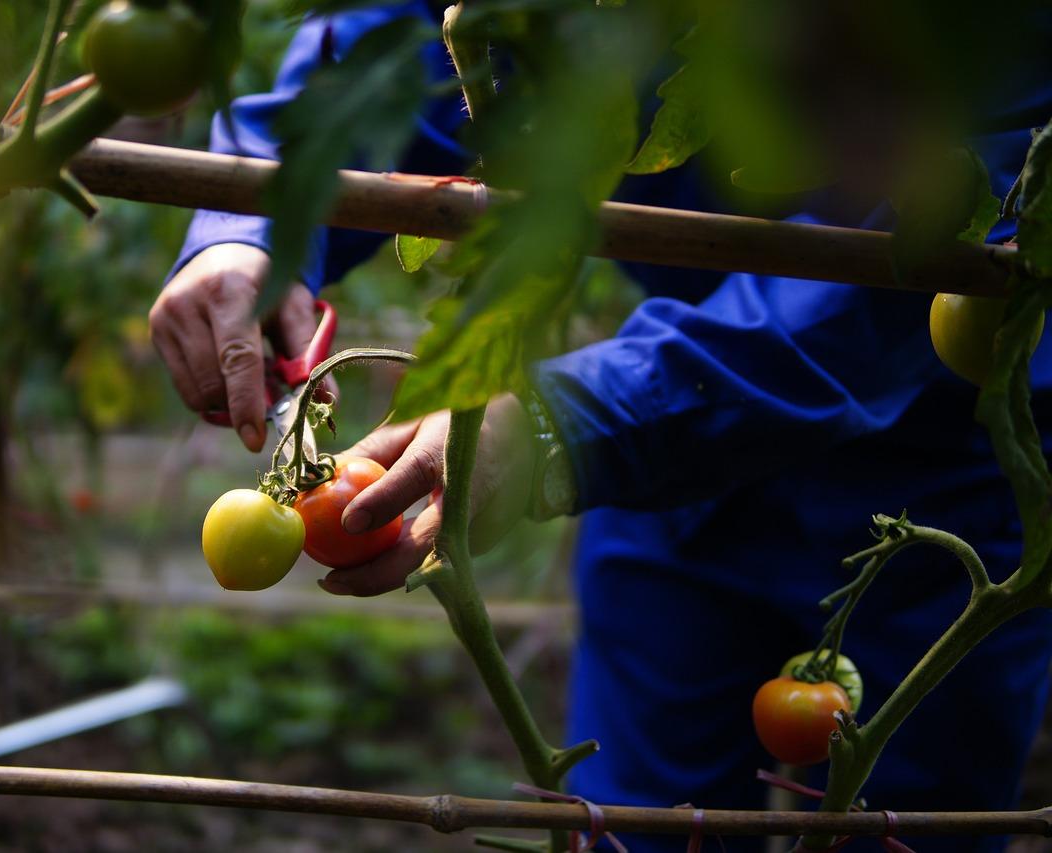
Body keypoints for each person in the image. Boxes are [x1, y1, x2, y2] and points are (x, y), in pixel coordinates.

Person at [152, 3, 1052, 850]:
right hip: (670, 452)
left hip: (947, 462)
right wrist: (254, 223)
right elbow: (422, 34)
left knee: (906, 824)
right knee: (635, 823)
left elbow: (952, 224)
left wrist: (576, 419)